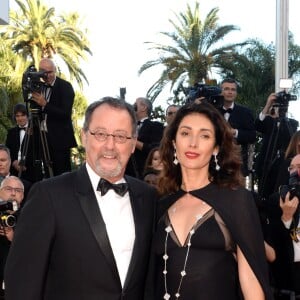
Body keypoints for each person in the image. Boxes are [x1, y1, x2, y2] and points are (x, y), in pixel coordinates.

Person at [4, 97, 157, 300]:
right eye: (100, 134)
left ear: (132, 144)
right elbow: (22, 283)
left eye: (121, 136)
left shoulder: (148, 197)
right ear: (84, 137)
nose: (110, 145)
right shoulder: (48, 196)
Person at [145, 102, 273, 299]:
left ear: (215, 148)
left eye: (204, 135)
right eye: (185, 133)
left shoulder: (236, 200)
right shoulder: (159, 205)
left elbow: (252, 285)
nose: (193, 143)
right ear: (173, 142)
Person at [29, 58, 77, 176]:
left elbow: (65, 114)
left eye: (50, 72)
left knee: (62, 175)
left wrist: (45, 104)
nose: (47, 75)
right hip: (43, 138)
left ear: (55, 71)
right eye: (43, 72)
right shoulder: (39, 87)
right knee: (47, 174)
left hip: (60, 140)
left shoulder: (65, 87)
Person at [267, 154, 300, 297]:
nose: (294, 171)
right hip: (291, 279)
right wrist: (286, 217)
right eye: (291, 167)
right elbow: (274, 250)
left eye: (299, 167)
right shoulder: (278, 201)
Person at [255, 93, 299, 198]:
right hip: (266, 163)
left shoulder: (292, 123)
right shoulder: (268, 122)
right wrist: (268, 105)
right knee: (265, 194)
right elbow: (258, 124)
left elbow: (293, 139)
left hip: (283, 165)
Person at [219, 78, 256, 177]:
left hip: (237, 165)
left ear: (236, 93)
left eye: (233, 89)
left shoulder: (245, 112)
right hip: (214, 164)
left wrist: (235, 133)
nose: (230, 92)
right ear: (221, 91)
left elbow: (252, 136)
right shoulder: (212, 111)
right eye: (226, 89)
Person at [126, 97, 164, 179]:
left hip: (144, 174)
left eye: (135, 104)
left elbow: (154, 149)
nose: (133, 106)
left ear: (144, 107)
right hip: (126, 173)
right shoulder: (127, 126)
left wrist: (132, 140)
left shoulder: (155, 126)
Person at [0, 176, 24, 300]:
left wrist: (14, 238)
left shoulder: (32, 218)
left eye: (18, 190)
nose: (13, 193)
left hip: (19, 287)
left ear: (23, 196)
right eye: (8, 189)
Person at [5, 103, 38, 183]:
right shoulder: (11, 132)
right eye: (17, 116)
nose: (20, 118)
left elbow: (38, 152)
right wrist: (13, 162)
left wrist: (24, 164)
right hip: (14, 173)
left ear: (27, 116)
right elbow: (7, 151)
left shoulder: (36, 131)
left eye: (23, 115)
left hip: (32, 173)